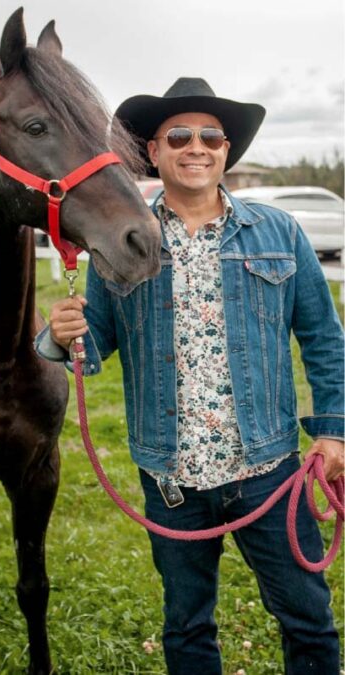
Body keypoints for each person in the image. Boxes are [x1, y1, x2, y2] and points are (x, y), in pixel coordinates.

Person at [40, 77, 343, 674]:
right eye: (178, 134)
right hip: (171, 477)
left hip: (268, 471)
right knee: (186, 624)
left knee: (308, 619)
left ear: (226, 150)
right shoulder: (123, 242)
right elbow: (93, 344)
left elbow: (325, 340)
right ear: (153, 151)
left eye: (210, 136)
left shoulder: (279, 233)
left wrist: (334, 431)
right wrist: (60, 334)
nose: (195, 146)